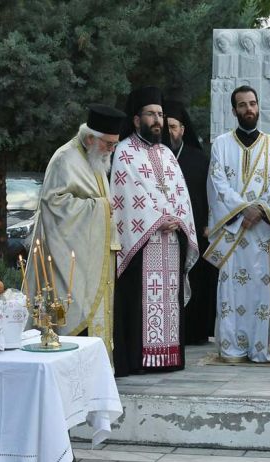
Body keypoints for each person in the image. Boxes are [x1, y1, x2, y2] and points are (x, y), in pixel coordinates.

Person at [25, 104, 126, 361]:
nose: (111, 150)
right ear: (91, 138)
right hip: (68, 258)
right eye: (108, 144)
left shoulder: (96, 158)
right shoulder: (65, 158)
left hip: (93, 254)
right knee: (72, 312)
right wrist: (101, 208)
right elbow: (53, 205)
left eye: (114, 144)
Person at [110, 86, 198, 376]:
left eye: (160, 114)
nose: (158, 120)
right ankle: (140, 359)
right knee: (140, 301)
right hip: (142, 243)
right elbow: (127, 197)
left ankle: (169, 356)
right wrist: (158, 219)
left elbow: (181, 195)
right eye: (151, 114)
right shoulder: (124, 152)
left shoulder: (167, 154)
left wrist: (178, 220)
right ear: (137, 120)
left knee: (169, 298)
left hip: (170, 241)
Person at [206, 85, 270, 363]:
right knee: (232, 291)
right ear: (234, 111)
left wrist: (259, 210)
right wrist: (245, 210)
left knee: (260, 292)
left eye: (252, 103)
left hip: (263, 232)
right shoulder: (221, 144)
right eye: (242, 105)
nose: (248, 109)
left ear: (258, 106)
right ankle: (233, 347)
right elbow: (217, 183)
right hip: (234, 231)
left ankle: (260, 348)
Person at [164, 100, 217, 345]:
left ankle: (194, 332)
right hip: (164, 232)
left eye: (173, 126)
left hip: (195, 231)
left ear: (183, 129)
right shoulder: (153, 158)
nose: (169, 131)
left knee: (196, 280)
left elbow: (210, 195)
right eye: (165, 126)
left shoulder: (199, 159)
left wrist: (208, 223)